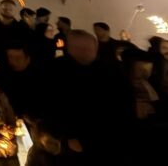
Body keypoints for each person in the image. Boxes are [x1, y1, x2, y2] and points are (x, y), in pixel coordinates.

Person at [48, 30, 134, 164]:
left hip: (107, 138)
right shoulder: (58, 71)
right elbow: (56, 105)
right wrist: (69, 135)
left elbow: (124, 105)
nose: (82, 52)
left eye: (86, 48)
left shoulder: (111, 73)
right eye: (77, 48)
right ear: (68, 48)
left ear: (95, 49)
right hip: (74, 141)